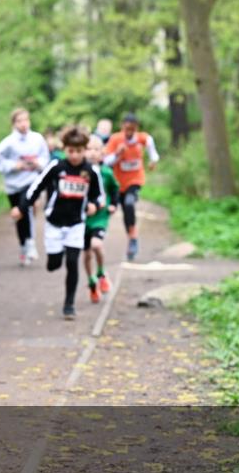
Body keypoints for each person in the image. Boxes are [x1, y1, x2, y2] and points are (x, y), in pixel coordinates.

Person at [13, 126, 101, 320]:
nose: (75, 155)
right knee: (54, 263)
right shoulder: (56, 167)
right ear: (64, 149)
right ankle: (54, 259)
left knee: (72, 262)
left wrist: (94, 205)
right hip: (54, 222)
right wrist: (21, 207)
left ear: (85, 150)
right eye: (71, 151)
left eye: (79, 151)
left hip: (76, 224)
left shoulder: (91, 171)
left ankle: (69, 304)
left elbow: (97, 195)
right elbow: (36, 187)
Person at [0, 108, 50, 267]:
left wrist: (39, 164)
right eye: (19, 121)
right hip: (13, 185)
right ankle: (23, 246)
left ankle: (30, 243)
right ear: (14, 123)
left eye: (26, 120)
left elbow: (46, 158)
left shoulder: (37, 139)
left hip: (31, 181)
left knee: (26, 208)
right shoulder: (8, 142)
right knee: (19, 216)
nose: (23, 124)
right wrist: (13, 165)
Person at [103, 112, 159, 260]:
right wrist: (117, 154)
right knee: (123, 210)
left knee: (129, 204)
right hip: (118, 182)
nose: (129, 132)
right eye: (126, 129)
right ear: (122, 127)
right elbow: (106, 161)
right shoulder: (115, 139)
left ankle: (133, 238)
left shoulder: (142, 138)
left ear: (136, 128)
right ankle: (130, 236)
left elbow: (152, 150)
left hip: (135, 179)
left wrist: (153, 161)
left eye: (132, 129)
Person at [83, 134, 120, 303]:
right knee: (86, 254)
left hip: (100, 217)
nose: (91, 153)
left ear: (102, 153)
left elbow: (115, 189)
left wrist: (114, 204)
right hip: (83, 218)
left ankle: (101, 273)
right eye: (88, 149)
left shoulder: (106, 172)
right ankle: (91, 282)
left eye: (96, 150)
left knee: (96, 245)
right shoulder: (80, 172)